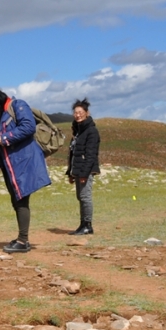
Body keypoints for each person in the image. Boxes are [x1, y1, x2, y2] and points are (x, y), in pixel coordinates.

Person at [0, 86, 50, 254]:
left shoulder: (17, 106)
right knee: (17, 200)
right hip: (11, 165)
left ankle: (23, 241)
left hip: (23, 162)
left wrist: (5, 138)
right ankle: (22, 238)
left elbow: (28, 126)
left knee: (21, 200)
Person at [65, 98, 100, 236]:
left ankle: (87, 225)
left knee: (85, 197)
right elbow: (73, 153)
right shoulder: (77, 131)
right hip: (78, 170)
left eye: (80, 112)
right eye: (75, 112)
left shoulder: (91, 131)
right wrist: (71, 173)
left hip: (86, 171)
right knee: (81, 197)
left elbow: (91, 155)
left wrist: (85, 174)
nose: (77, 115)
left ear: (87, 113)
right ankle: (82, 225)